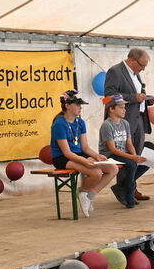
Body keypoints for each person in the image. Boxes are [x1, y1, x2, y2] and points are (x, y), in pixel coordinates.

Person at [50, 89, 118, 217]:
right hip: (62, 158)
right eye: (77, 105)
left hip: (78, 154)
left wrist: (96, 156)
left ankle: (88, 195)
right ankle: (83, 192)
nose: (80, 108)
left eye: (80, 105)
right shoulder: (59, 124)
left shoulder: (80, 122)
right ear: (67, 105)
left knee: (113, 169)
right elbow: (66, 152)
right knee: (96, 173)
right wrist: (85, 161)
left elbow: (85, 147)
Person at [103, 48, 154, 200]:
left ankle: (131, 188)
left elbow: (136, 93)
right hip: (123, 119)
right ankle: (123, 191)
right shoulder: (115, 71)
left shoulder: (135, 73)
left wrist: (146, 99)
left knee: (137, 154)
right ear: (132, 60)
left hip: (138, 117)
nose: (143, 69)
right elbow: (109, 96)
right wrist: (133, 97)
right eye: (142, 65)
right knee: (126, 155)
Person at [100, 94, 147, 208]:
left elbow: (129, 144)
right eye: (121, 107)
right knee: (131, 164)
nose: (124, 110)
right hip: (109, 154)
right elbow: (112, 149)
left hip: (122, 153)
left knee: (145, 162)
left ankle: (120, 186)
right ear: (111, 109)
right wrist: (133, 158)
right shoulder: (107, 125)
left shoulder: (125, 123)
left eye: (124, 107)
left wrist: (135, 156)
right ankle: (129, 196)